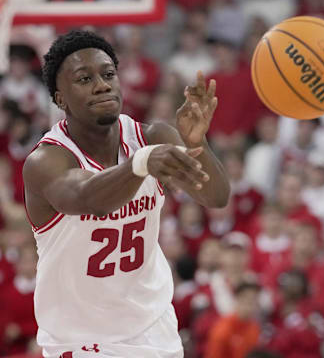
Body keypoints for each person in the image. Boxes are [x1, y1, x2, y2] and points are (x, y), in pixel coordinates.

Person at [22, 30, 230, 358]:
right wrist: (140, 163)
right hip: (81, 339)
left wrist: (196, 142)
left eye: (108, 74)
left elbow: (215, 197)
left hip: (154, 328)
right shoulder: (47, 160)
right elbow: (87, 199)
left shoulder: (152, 136)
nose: (102, 84)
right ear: (60, 98)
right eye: (84, 78)